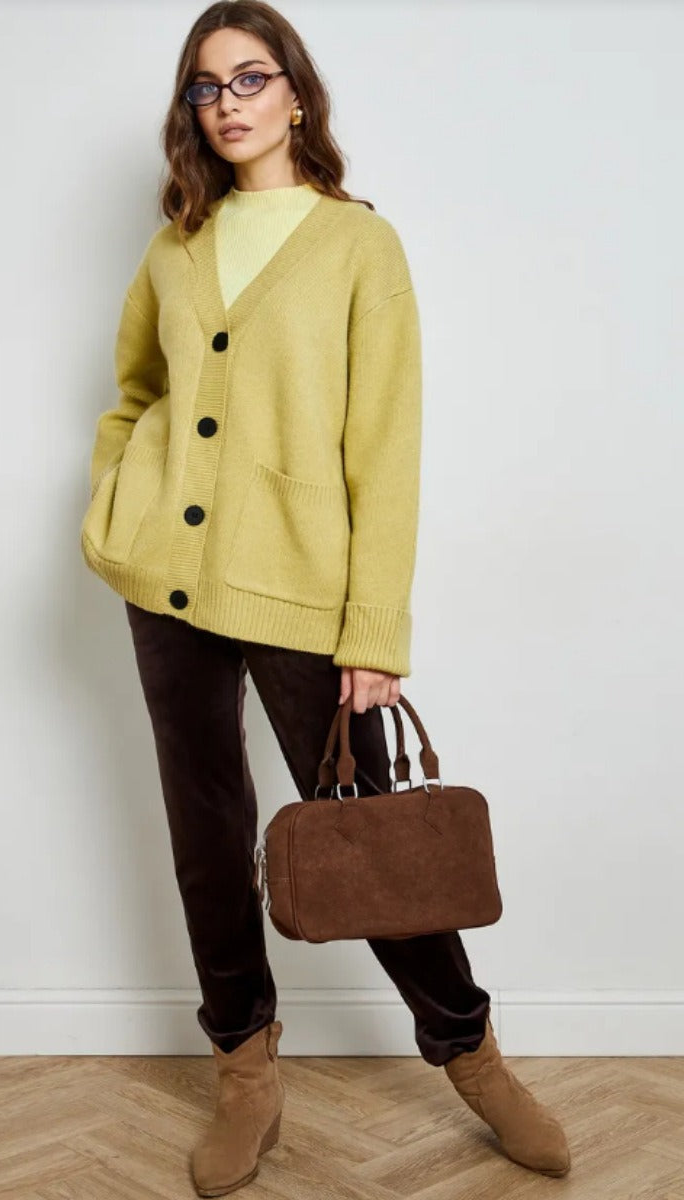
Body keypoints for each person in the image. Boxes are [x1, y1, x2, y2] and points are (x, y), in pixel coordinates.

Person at [80, 2, 571, 1194]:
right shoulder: (177, 247)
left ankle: (469, 1053)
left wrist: (373, 632)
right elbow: (136, 392)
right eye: (206, 86)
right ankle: (244, 1076)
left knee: (371, 840)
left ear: (297, 94)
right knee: (206, 840)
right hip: (170, 591)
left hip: (304, 587)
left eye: (252, 78)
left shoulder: (358, 245)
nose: (229, 103)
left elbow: (384, 448)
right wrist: (117, 502)